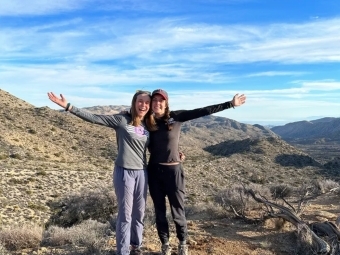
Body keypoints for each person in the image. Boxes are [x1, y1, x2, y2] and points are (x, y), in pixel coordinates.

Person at [47, 90, 154, 255]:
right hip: (124, 172)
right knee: (125, 215)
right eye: (140, 101)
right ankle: (123, 251)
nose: (143, 105)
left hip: (142, 172)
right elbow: (95, 118)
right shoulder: (122, 120)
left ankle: (136, 246)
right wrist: (68, 107)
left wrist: (177, 154)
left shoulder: (149, 125)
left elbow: (160, 144)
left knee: (139, 213)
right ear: (134, 102)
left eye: (147, 102)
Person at [147, 89, 246, 255]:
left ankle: (183, 244)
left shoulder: (176, 116)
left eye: (161, 100)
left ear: (166, 103)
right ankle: (165, 245)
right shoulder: (146, 121)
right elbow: (131, 117)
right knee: (159, 212)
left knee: (178, 211)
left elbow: (202, 111)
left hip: (174, 172)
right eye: (154, 100)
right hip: (154, 172)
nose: (157, 103)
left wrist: (230, 104)